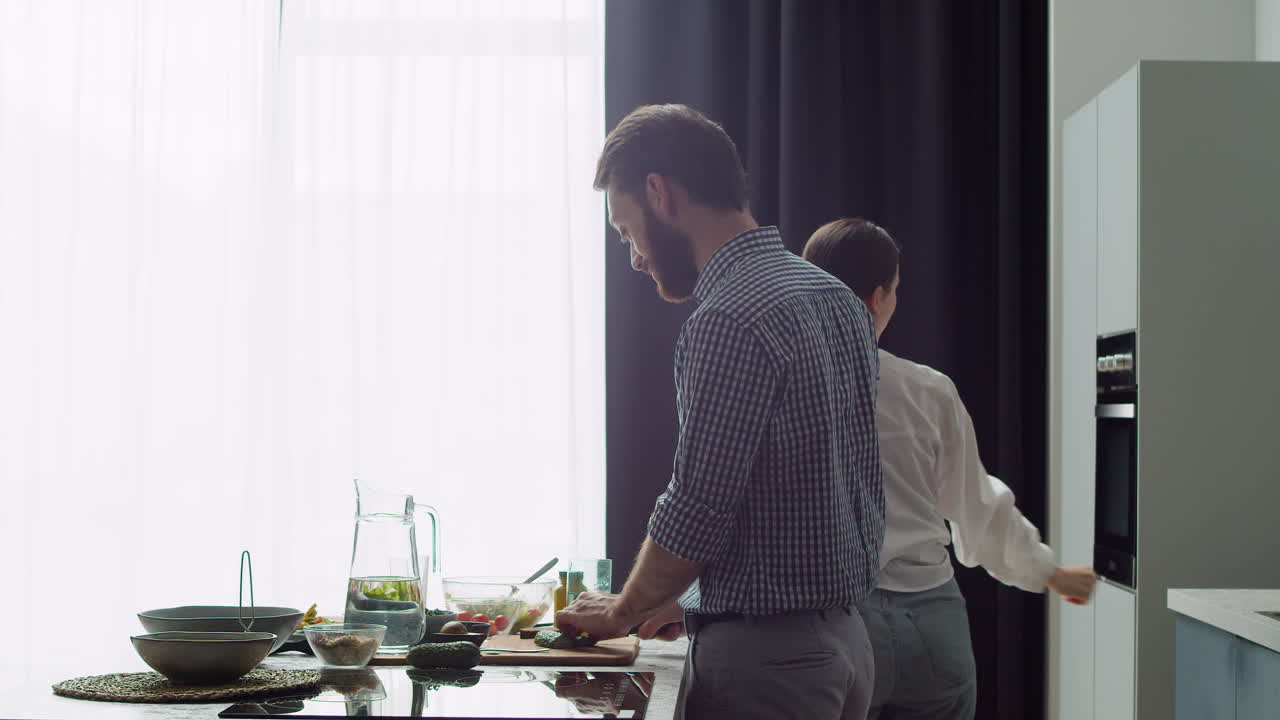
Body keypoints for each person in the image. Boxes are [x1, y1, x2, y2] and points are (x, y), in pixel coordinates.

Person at [555, 104, 885, 720]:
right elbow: (809, 494)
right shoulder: (834, 296)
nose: (634, 257)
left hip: (769, 667)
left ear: (659, 193)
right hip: (848, 646)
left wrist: (622, 611)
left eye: (626, 232)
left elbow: (698, 505)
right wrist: (682, 601)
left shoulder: (728, 316)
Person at [801, 218, 1098, 720]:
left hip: (837, 624)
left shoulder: (785, 385)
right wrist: (1049, 572)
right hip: (932, 626)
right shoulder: (927, 390)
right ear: (878, 297)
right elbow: (977, 506)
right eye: (896, 290)